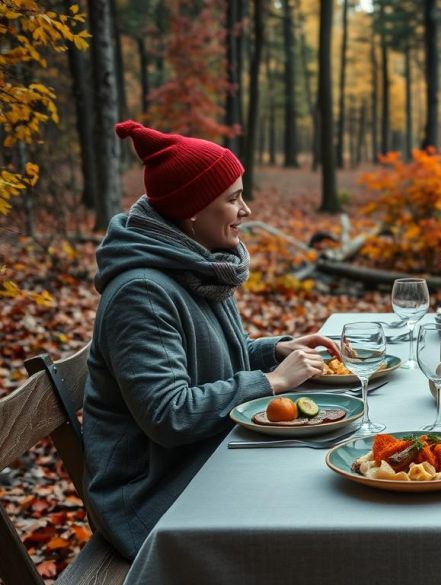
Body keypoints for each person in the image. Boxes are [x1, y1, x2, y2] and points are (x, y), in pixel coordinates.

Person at [82, 120, 339, 559]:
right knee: (316, 515)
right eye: (233, 198)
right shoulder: (142, 291)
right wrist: (273, 382)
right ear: (193, 209)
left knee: (323, 477)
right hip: (153, 501)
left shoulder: (198, 266)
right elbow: (169, 414)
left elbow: (218, 357)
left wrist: (275, 350)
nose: (247, 211)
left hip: (203, 465)